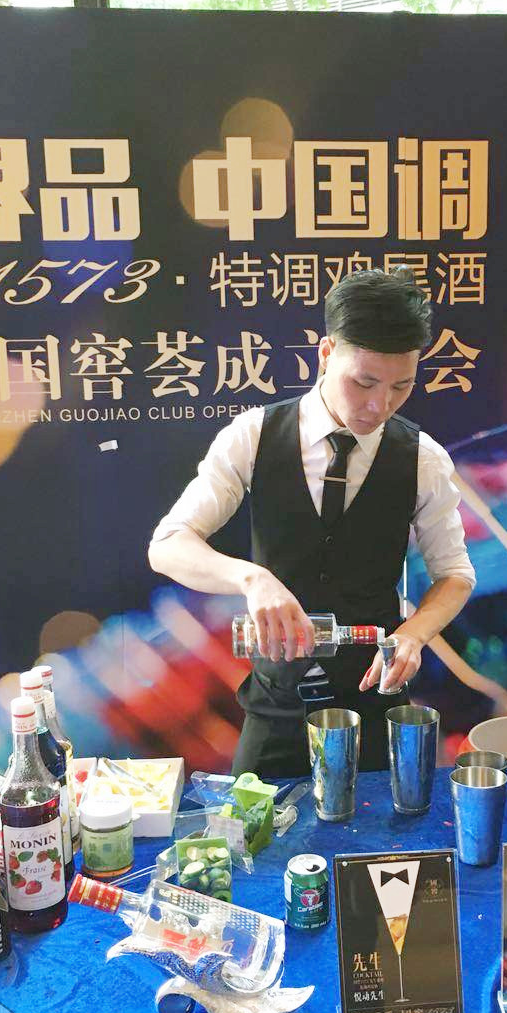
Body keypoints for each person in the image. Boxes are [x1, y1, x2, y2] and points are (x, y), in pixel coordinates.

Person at [147, 268, 476, 779]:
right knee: (249, 824)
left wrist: (413, 635)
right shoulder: (253, 436)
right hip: (276, 702)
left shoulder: (423, 458)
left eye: (401, 386)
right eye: (363, 382)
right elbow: (167, 545)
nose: (379, 405)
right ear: (326, 353)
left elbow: (455, 575)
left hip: (375, 701)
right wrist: (251, 578)